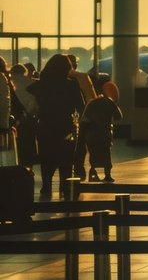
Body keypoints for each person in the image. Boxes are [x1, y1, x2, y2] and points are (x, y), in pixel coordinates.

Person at [26, 54, 85, 198]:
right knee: (66, 160)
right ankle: (65, 188)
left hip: (45, 125)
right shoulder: (72, 85)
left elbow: (31, 109)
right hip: (66, 127)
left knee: (46, 158)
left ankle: (46, 187)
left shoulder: (39, 86)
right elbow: (81, 107)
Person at [80, 83, 122, 182]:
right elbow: (119, 116)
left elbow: (85, 118)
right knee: (106, 154)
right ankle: (107, 175)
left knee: (93, 154)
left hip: (92, 134)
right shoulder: (110, 102)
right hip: (105, 133)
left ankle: (93, 173)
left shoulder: (91, 103)